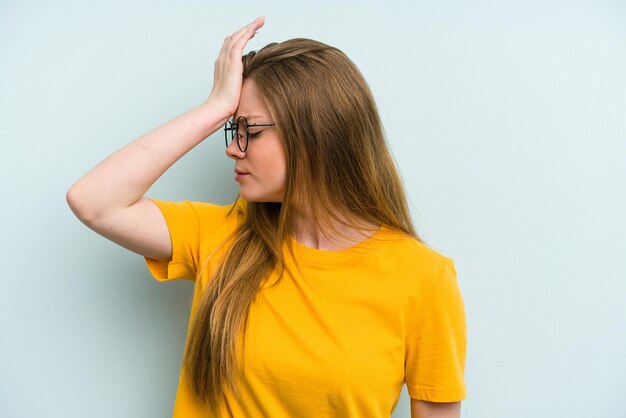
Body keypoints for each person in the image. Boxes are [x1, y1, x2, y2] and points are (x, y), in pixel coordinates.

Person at [66, 17, 466, 418]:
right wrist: (215, 107)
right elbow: (94, 201)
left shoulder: (423, 280)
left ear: (314, 135)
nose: (233, 148)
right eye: (231, 128)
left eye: (250, 131)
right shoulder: (220, 234)